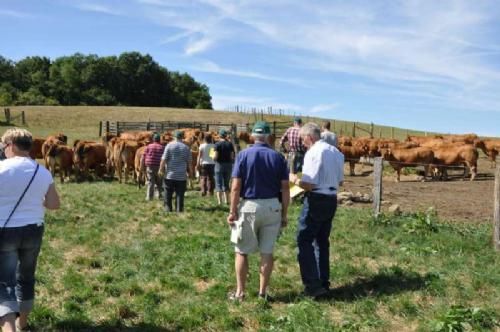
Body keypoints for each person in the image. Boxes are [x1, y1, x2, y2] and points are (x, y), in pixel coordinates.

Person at [0, 128, 60, 332]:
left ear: (12, 145)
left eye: (3, 145)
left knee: (4, 281)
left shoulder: (1, 169)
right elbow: (53, 204)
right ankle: (22, 322)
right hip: (34, 229)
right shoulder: (42, 171)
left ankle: (8, 329)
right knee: (26, 277)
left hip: (5, 230)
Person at [227, 121, 290, 301]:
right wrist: (284, 214)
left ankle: (240, 292)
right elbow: (285, 188)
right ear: (269, 136)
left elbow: (236, 187)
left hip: (249, 206)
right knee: (267, 252)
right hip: (272, 207)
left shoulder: (243, 155)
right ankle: (262, 293)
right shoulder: (278, 158)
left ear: (253, 136)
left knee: (241, 251)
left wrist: (232, 211)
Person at [289, 123, 344, 298]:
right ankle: (323, 281)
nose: (302, 143)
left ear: (309, 137)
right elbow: (340, 181)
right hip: (331, 198)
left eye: (302, 139)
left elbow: (309, 184)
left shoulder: (313, 152)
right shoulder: (337, 152)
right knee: (322, 240)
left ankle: (313, 285)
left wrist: (294, 180)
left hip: (316, 199)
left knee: (304, 240)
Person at [159, 130, 193, 213]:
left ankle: (168, 209)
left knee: (168, 193)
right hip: (181, 176)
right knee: (180, 194)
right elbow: (189, 163)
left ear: (174, 137)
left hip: (170, 175)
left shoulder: (169, 146)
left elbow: (164, 159)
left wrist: (161, 169)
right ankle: (179, 210)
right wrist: (191, 173)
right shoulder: (186, 148)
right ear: (182, 138)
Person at [141, 133, 165, 201]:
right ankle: (159, 195)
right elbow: (164, 157)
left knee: (151, 182)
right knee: (159, 182)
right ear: (159, 140)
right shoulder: (162, 147)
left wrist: (142, 166)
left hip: (150, 166)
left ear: (153, 140)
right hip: (159, 166)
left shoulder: (148, 146)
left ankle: (149, 197)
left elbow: (143, 156)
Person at [214, 129, 234, 205]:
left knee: (218, 183)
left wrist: (213, 159)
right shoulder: (230, 144)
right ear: (225, 135)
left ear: (219, 135)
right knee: (226, 183)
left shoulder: (217, 144)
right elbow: (232, 157)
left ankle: (219, 202)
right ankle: (227, 200)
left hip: (219, 165)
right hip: (228, 165)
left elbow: (215, 156)